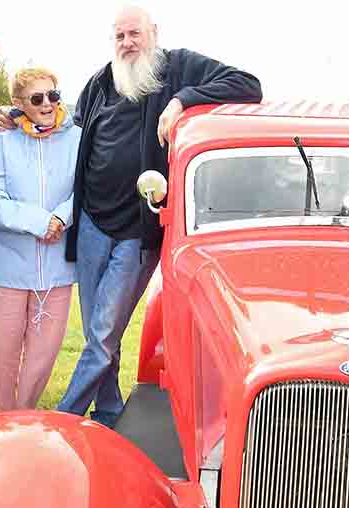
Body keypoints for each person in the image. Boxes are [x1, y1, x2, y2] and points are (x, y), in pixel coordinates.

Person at [51, 4, 262, 427]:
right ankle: (108, 412)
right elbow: (72, 132)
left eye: (135, 34)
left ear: (154, 33)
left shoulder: (179, 67)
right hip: (92, 222)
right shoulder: (99, 83)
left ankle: (63, 419)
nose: (127, 43)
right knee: (98, 333)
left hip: (137, 232)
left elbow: (248, 85)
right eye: (120, 36)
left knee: (103, 334)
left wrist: (182, 100)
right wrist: (19, 119)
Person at [0, 67, 79, 411]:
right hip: (8, 268)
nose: (47, 104)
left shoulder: (77, 139)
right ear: (19, 103)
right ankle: (2, 420)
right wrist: (40, 222)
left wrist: (61, 218)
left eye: (53, 95)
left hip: (58, 270)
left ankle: (22, 419)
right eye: (37, 98)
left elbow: (86, 190)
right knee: (1, 355)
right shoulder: (2, 142)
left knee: (42, 356)